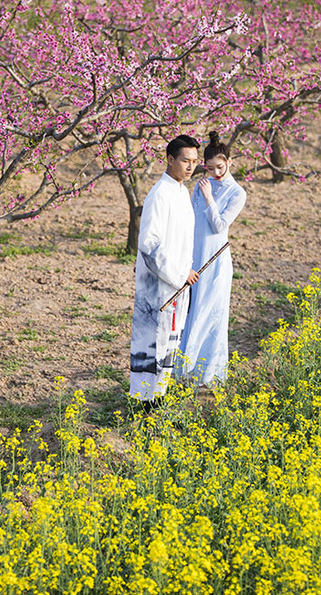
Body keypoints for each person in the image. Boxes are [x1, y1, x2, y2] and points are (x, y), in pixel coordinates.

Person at [129, 134, 201, 407]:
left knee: (169, 343)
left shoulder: (182, 191)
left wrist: (186, 270)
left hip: (177, 283)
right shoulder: (160, 194)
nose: (190, 166)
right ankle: (143, 404)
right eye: (185, 160)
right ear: (170, 160)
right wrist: (180, 274)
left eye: (194, 161)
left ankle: (158, 399)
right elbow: (149, 245)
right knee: (152, 344)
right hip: (159, 285)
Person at [176, 131, 246, 387]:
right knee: (190, 312)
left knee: (211, 314)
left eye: (220, 166)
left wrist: (208, 199)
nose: (216, 172)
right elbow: (191, 222)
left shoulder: (237, 193)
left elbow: (218, 227)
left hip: (216, 261)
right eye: (210, 168)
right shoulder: (200, 185)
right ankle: (185, 370)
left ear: (229, 162)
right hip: (195, 257)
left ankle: (209, 373)